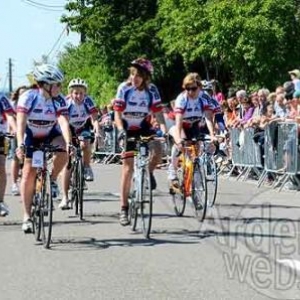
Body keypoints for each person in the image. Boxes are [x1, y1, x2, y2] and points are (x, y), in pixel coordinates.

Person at [16, 64, 72, 233]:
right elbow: (21, 123)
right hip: (31, 134)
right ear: (46, 84)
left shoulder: (59, 99)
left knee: (63, 149)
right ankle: (27, 216)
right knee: (28, 172)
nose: (60, 88)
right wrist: (20, 143)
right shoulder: (28, 97)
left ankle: (52, 179)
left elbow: (62, 122)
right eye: (57, 84)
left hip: (50, 132)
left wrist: (69, 143)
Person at [113, 58, 167, 226]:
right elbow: (117, 114)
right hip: (127, 127)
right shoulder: (124, 88)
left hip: (143, 126)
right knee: (128, 167)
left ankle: (148, 172)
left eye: (138, 75)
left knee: (158, 149)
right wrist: (121, 130)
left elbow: (158, 114)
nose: (134, 78)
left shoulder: (152, 90)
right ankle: (124, 208)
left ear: (145, 77)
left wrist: (164, 131)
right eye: (132, 74)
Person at [167, 73, 216, 186]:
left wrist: (212, 134)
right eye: (187, 89)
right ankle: (172, 170)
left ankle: (194, 179)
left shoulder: (204, 97)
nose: (190, 92)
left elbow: (208, 117)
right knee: (181, 143)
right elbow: (178, 120)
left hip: (194, 124)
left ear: (199, 87)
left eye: (193, 89)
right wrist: (179, 139)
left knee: (196, 151)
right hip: (180, 124)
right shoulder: (182, 99)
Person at [59, 78, 100, 209]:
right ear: (71, 93)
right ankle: (65, 198)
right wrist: (68, 141)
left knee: (85, 143)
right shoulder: (66, 103)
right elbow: (63, 122)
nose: (78, 96)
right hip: (69, 128)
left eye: (81, 93)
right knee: (68, 162)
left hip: (83, 127)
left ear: (85, 94)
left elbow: (94, 119)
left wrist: (97, 130)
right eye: (75, 93)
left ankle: (87, 167)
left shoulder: (88, 101)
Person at [0, 92, 17, 216]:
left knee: (1, 167)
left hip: (1, 136)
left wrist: (15, 129)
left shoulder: (2, 98)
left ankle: (0, 201)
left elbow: (10, 115)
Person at [9, 86, 28, 196]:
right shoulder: (13, 105)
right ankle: (14, 183)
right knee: (15, 157)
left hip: (29, 132)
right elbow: (10, 118)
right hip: (17, 133)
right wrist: (12, 130)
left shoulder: (31, 103)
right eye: (21, 94)